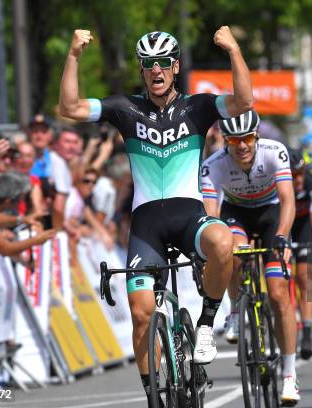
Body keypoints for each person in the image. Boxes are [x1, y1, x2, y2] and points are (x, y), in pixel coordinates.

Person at [58, 27, 252, 407]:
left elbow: (244, 102)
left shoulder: (197, 107)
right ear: (142, 70)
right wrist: (74, 55)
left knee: (223, 242)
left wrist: (233, 50)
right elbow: (70, 108)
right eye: (148, 64)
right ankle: (154, 398)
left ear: (176, 67)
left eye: (164, 62)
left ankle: (207, 323)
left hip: (188, 218)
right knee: (142, 313)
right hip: (146, 226)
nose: (157, 70)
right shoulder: (124, 109)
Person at [201, 110, 299, 405]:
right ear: (225, 141)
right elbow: (210, 215)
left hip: (271, 215)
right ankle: (234, 309)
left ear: (256, 136)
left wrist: (282, 236)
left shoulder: (274, 152)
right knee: (231, 250)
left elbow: (287, 200)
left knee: (279, 294)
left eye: (247, 138)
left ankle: (290, 376)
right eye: (234, 140)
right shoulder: (212, 165)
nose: (241, 146)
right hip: (237, 214)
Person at [287, 147, 312, 360]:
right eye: (294, 176)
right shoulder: (277, 184)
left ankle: (307, 331)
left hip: (304, 226)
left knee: (305, 275)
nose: (299, 179)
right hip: (284, 223)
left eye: (301, 173)